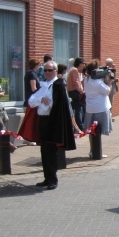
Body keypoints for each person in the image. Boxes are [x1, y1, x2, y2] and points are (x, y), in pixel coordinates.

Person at [28, 61, 75, 189]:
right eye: (46, 70)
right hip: (42, 120)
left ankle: (53, 179)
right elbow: (31, 101)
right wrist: (40, 100)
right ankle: (47, 178)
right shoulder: (43, 85)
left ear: (55, 71)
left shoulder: (58, 85)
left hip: (53, 121)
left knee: (51, 151)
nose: (47, 73)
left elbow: (60, 104)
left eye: (50, 70)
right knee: (44, 150)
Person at [83, 60, 112, 159]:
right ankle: (97, 152)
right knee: (98, 131)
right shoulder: (98, 82)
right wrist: (109, 82)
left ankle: (92, 151)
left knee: (92, 132)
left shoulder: (86, 80)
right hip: (101, 108)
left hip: (90, 109)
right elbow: (107, 91)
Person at [67, 57, 86, 131]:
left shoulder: (75, 70)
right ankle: (80, 126)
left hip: (73, 92)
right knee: (79, 109)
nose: (84, 65)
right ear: (80, 63)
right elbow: (76, 82)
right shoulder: (74, 70)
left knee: (75, 109)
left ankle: (76, 127)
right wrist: (81, 91)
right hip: (75, 92)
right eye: (83, 64)